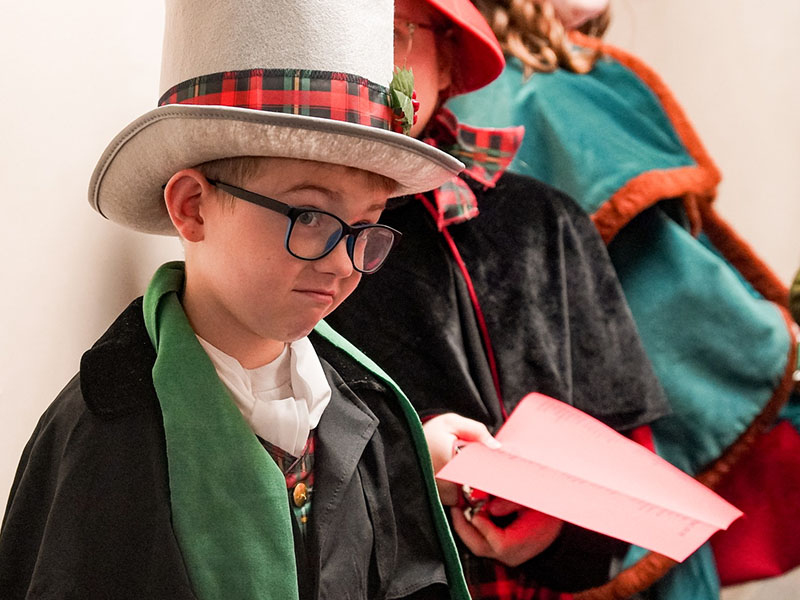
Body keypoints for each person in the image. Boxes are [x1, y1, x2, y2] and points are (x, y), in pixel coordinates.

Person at [0, 1, 473, 598]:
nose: (341, 261)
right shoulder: (107, 437)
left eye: (366, 228)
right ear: (192, 207)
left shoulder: (363, 409)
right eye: (310, 216)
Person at [445, 1, 800, 598]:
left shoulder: (456, 97)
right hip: (616, 466)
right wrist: (777, 339)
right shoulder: (560, 95)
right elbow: (666, 298)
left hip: (500, 484)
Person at [326, 0, 670, 597]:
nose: (358, 61)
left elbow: (626, 485)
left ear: (449, 62)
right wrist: (406, 466)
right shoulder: (280, 239)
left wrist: (554, 529)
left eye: (391, 33)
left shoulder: (548, 224)